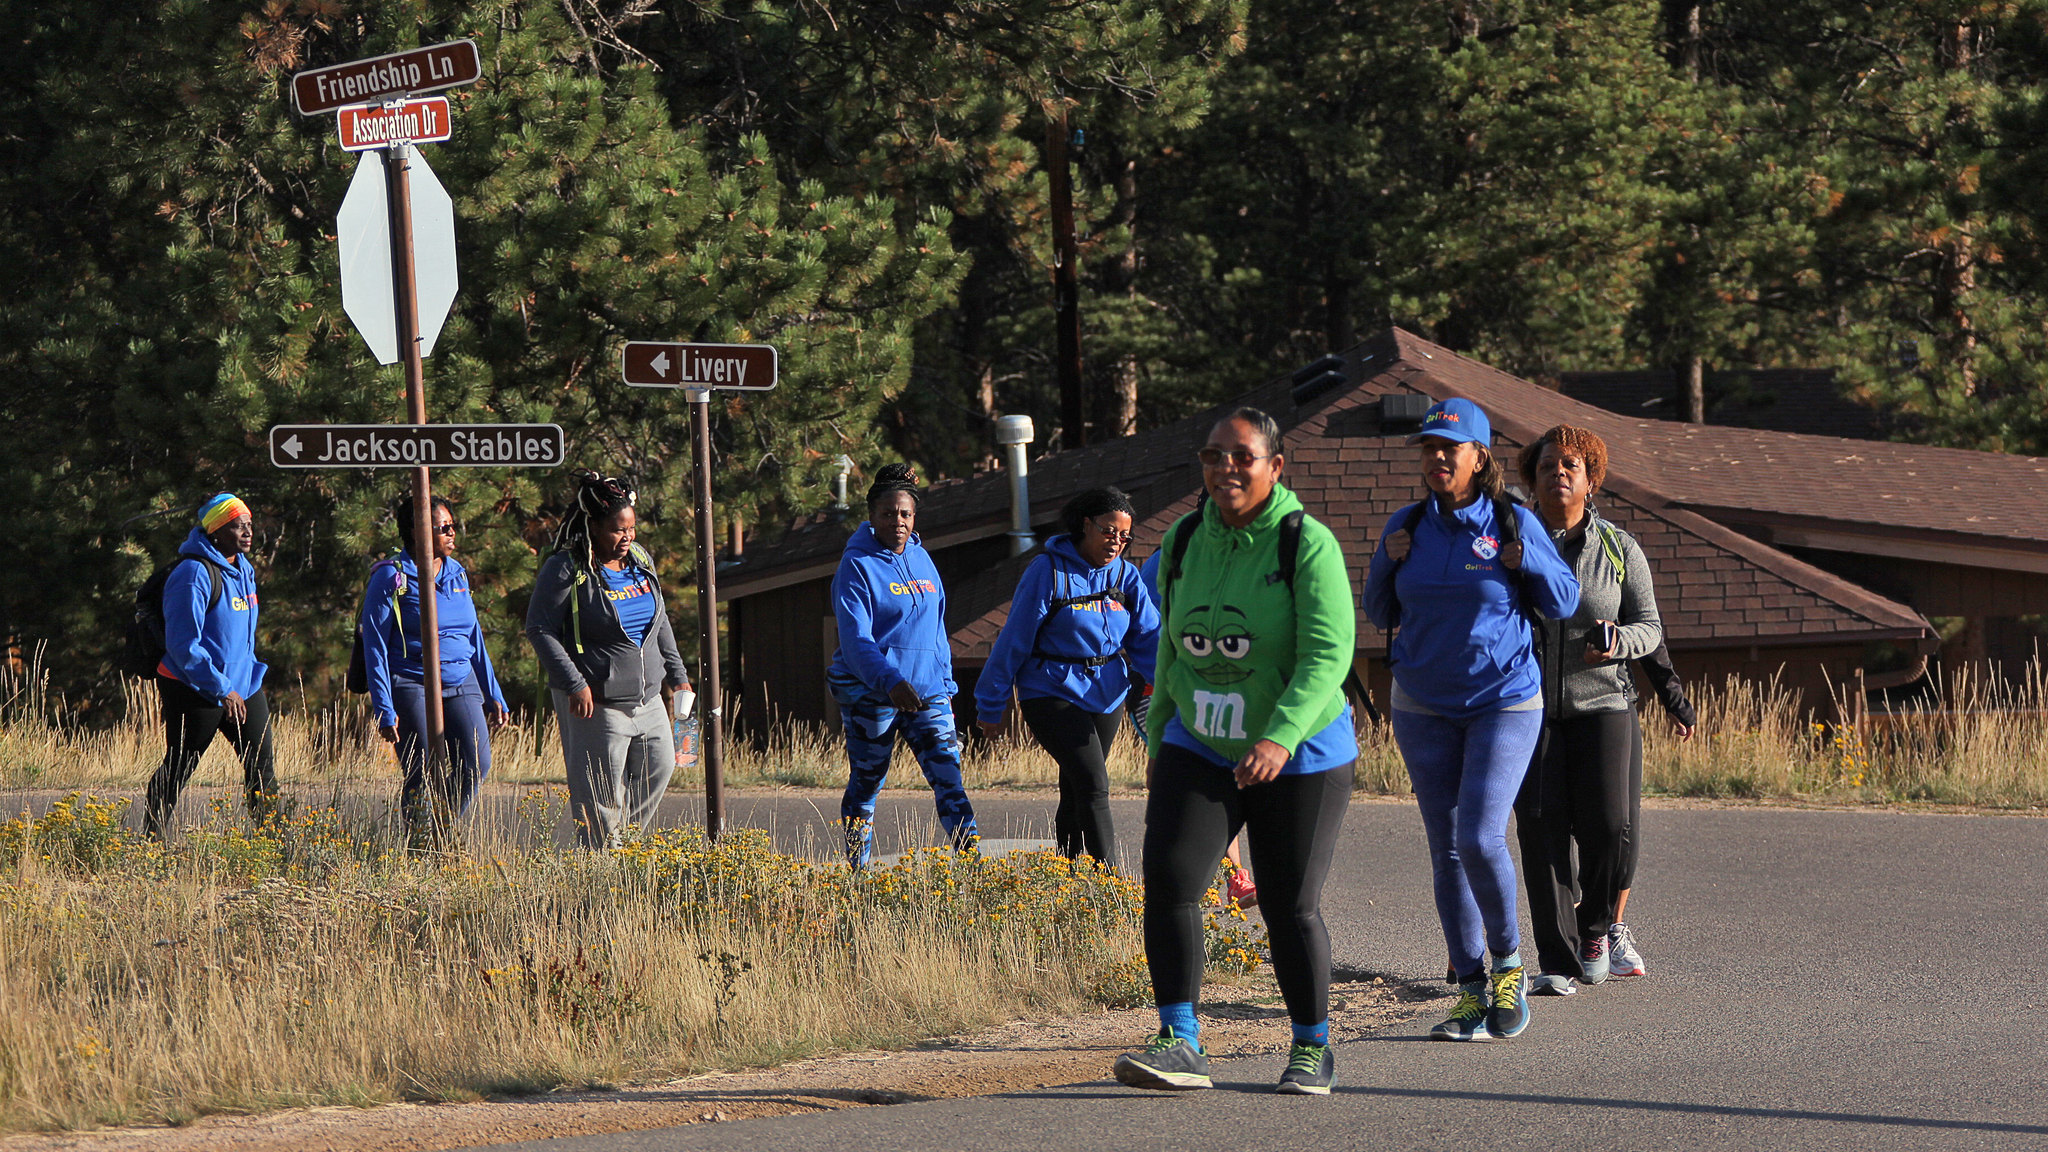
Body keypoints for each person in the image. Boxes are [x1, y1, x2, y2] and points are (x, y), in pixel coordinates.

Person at [1110, 407, 1355, 1097]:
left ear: (1275, 467)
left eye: (1242, 456)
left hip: (1301, 752)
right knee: (1171, 878)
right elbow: (1169, 650)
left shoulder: (1305, 545)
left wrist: (1279, 737)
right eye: (1214, 456)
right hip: (1201, 741)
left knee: (1287, 904)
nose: (1226, 469)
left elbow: (1328, 656)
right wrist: (1160, 736)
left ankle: (1312, 1046)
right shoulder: (1185, 540)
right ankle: (1180, 1040)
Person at [1363, 398, 1578, 1042]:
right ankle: (1467, 986)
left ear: (1479, 456)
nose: (1435, 459)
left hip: (1503, 700)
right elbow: (1377, 610)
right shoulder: (1405, 525)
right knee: (1446, 847)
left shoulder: (1513, 520)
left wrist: (1527, 560)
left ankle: (1509, 967)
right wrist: (1387, 558)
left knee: (1481, 837)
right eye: (1427, 448)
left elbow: (1564, 599)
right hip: (1423, 704)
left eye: (1447, 449)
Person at [1509, 425, 1664, 995]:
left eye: (1570, 465)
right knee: (1541, 829)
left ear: (1591, 479)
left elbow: (1650, 627)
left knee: (1608, 826)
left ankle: (1596, 931)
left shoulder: (1619, 549)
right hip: (1529, 709)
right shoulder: (1514, 546)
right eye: (1547, 465)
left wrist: (1617, 642)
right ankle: (1555, 955)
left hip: (1604, 703)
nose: (1558, 474)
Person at [975, 488, 1158, 867]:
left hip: (1107, 693)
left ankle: (1069, 876)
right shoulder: (1048, 571)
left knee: (1076, 789)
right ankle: (1109, 885)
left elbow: (1150, 639)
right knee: (1095, 785)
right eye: (1109, 532)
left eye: (1125, 536)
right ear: (1085, 525)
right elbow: (1013, 640)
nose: (1117, 543)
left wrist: (1175, 688)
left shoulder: (1126, 575)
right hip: (1051, 690)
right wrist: (990, 704)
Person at [526, 472, 693, 849]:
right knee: (599, 798)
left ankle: (623, 846)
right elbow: (539, 629)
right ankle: (602, 867)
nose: (627, 537)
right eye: (618, 530)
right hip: (596, 704)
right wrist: (574, 683)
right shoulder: (567, 568)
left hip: (648, 699)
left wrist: (678, 676)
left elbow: (660, 620)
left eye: (632, 528)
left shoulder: (639, 560)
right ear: (594, 527)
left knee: (661, 766)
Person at [829, 463, 978, 868]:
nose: (898, 522)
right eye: (889, 514)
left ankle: (975, 868)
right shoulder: (856, 566)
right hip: (873, 692)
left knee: (950, 781)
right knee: (868, 780)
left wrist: (944, 683)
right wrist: (890, 680)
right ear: (872, 516)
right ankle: (857, 872)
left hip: (928, 692)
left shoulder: (923, 559)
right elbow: (856, 641)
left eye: (906, 514)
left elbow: (936, 628)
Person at [360, 495, 510, 832]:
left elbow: (474, 637)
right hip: (411, 681)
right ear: (417, 532)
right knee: (421, 769)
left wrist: (493, 692)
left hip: (461, 678)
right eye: (444, 528)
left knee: (476, 763)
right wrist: (384, 707)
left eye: (453, 526)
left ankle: (440, 831)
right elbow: (375, 646)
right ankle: (419, 844)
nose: (452, 533)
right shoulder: (391, 578)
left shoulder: (457, 573)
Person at [145, 493, 277, 838]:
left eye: (249, 524)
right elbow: (183, 645)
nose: (247, 532)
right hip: (195, 687)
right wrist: (220, 688)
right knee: (180, 765)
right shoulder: (192, 574)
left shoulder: (243, 569)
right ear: (216, 531)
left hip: (244, 685)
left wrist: (242, 682)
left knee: (262, 769)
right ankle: (149, 841)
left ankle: (273, 844)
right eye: (237, 526)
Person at [1606, 640, 1697, 978]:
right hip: (1541, 700)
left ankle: (1612, 929)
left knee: (1623, 821)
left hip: (1613, 697)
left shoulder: (1619, 582)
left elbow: (1647, 630)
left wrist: (1673, 699)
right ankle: (1573, 932)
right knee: (1554, 822)